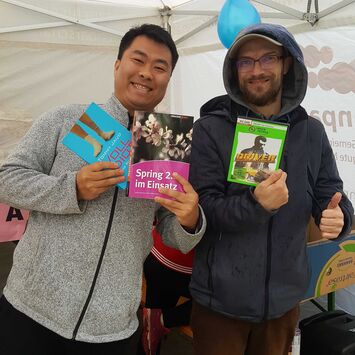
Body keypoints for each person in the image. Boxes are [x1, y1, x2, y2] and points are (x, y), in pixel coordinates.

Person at [0, 24, 205, 355]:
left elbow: (172, 234)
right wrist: (73, 188)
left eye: (159, 67)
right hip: (31, 310)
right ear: (117, 65)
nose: (146, 73)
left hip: (112, 329)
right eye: (137, 59)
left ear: (168, 80)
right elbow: (7, 179)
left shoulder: (167, 145)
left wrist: (190, 219)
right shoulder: (66, 119)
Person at [189, 23, 354, 355]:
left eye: (267, 58)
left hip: (283, 305)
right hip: (219, 306)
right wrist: (255, 204)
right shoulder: (209, 129)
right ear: (234, 70)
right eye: (245, 62)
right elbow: (202, 210)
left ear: (286, 63)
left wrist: (340, 217)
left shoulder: (311, 132)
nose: (256, 70)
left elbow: (330, 194)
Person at [139, 226, 193, 355]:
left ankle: (156, 320)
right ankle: (162, 319)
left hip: (156, 253)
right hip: (185, 267)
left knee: (150, 335)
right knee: (229, 303)